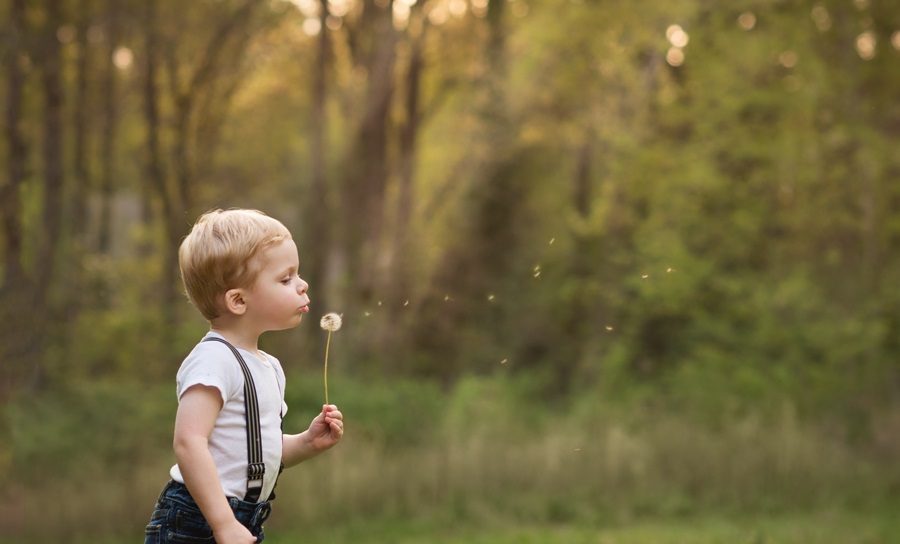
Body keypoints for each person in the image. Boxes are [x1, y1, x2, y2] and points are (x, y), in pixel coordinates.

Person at [145, 208, 344, 544]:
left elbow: (252, 452)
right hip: (196, 522)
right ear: (238, 300)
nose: (302, 284)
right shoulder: (213, 359)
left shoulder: (268, 366)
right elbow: (189, 442)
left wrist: (306, 443)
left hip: (243, 520)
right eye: (286, 279)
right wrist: (223, 524)